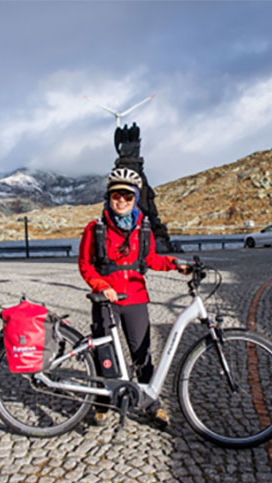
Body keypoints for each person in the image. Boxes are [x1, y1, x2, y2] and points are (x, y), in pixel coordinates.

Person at [78, 167, 189, 427]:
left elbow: (151, 259)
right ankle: (102, 403)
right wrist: (100, 285)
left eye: (128, 197)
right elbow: (85, 264)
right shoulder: (95, 229)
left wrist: (175, 263)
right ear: (109, 197)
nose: (122, 201)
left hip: (136, 299)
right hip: (106, 300)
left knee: (142, 355)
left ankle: (151, 404)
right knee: (104, 355)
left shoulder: (144, 228)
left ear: (135, 199)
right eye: (117, 195)